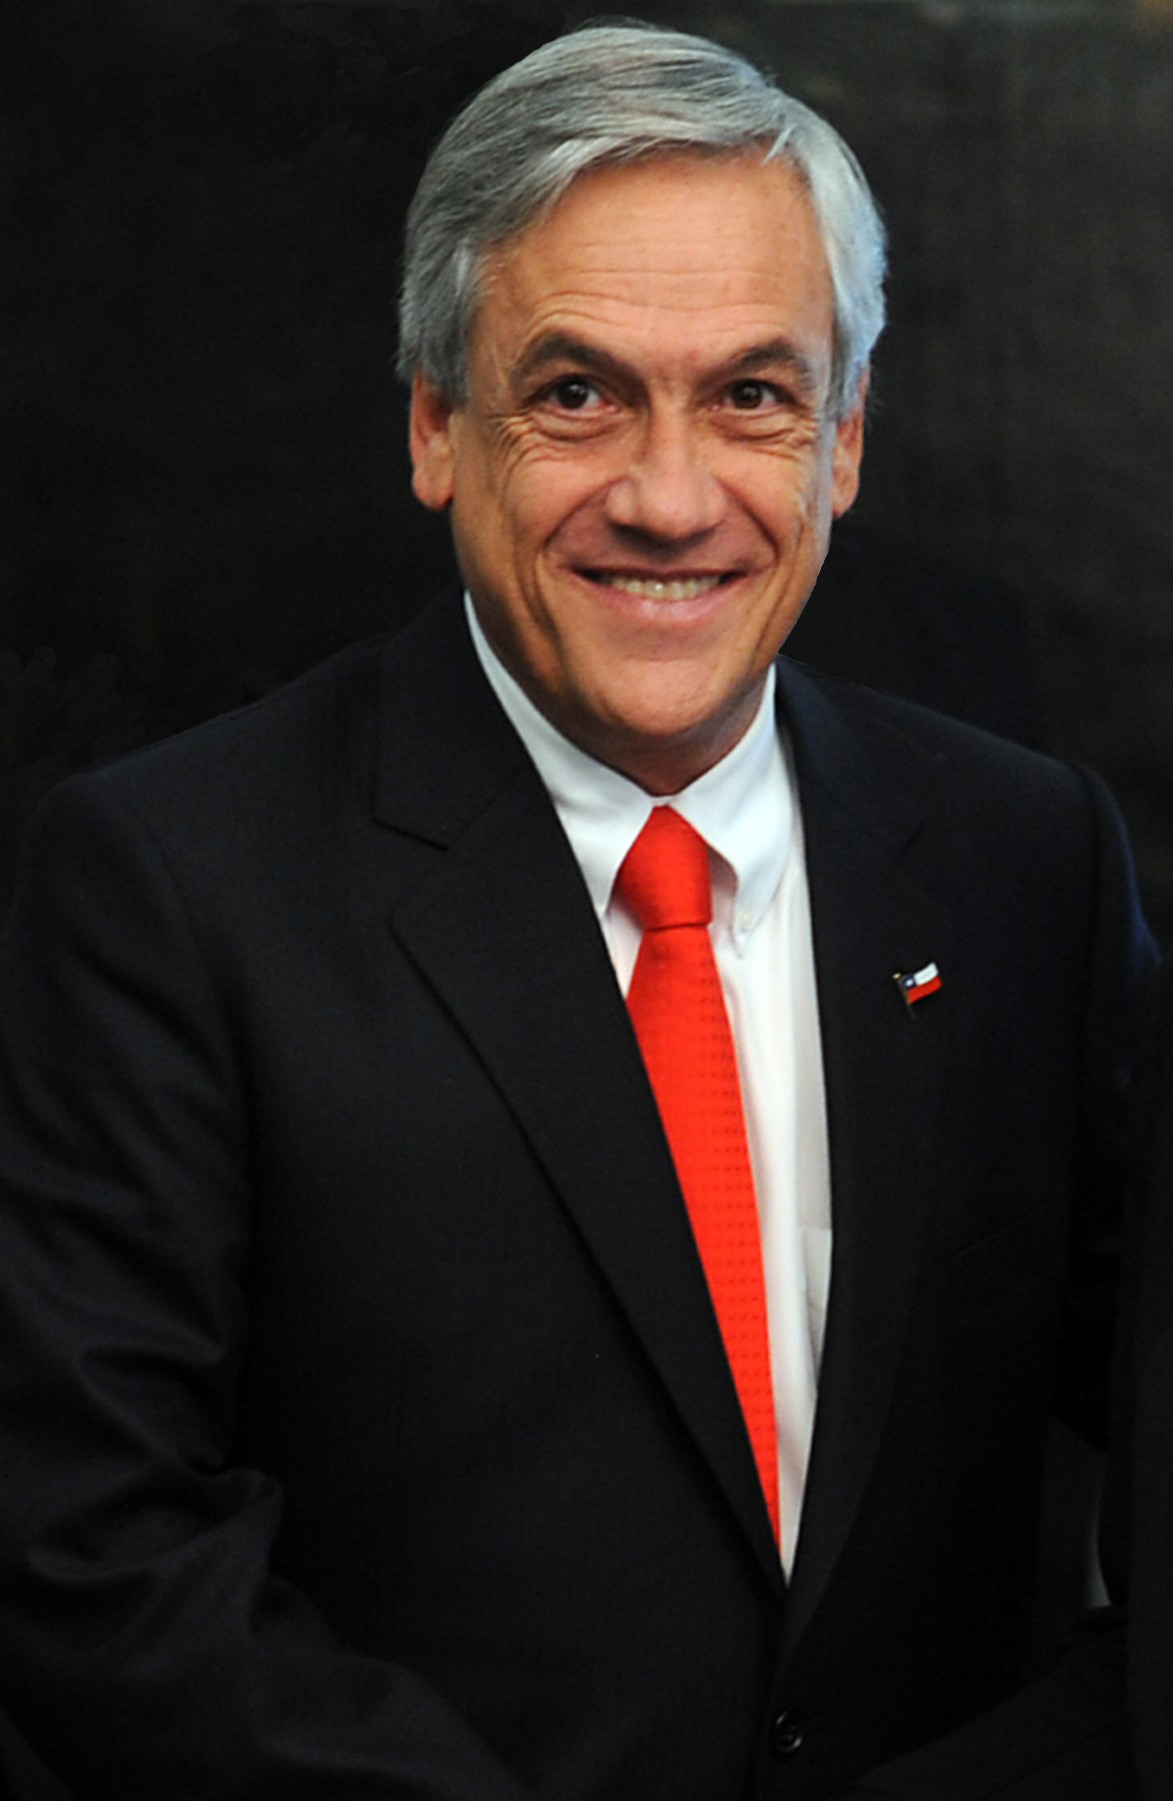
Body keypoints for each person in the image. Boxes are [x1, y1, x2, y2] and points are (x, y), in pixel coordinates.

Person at [0, 22, 1155, 1801]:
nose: (669, 498)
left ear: (844, 439)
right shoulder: (170, 888)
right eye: (576, 394)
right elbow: (91, 1559)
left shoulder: (1024, 861)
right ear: (435, 428)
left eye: (751, 395)